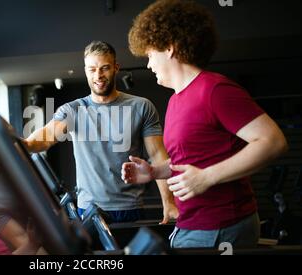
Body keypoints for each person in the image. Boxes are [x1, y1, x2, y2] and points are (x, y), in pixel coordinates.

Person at [123, 0, 288, 248]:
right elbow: (193, 159)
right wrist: (156, 172)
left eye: (149, 54)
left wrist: (207, 177)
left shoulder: (215, 90)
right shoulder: (176, 100)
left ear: (168, 47)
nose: (148, 64)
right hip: (192, 225)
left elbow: (273, 142)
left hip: (222, 227)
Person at [23, 41, 178, 223]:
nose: (98, 75)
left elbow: (158, 156)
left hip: (130, 207)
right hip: (89, 208)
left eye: (104, 68)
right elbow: (45, 138)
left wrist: (169, 203)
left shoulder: (141, 106)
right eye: (92, 69)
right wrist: (20, 144)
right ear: (86, 70)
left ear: (116, 67)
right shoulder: (73, 110)